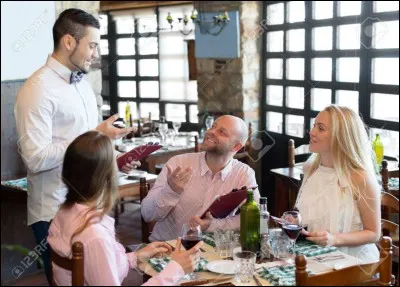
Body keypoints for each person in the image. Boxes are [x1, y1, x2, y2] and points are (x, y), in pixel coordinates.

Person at [14, 9, 138, 282]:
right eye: (92, 45)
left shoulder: (83, 84)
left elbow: (90, 145)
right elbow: (34, 159)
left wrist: (115, 157)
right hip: (55, 207)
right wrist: (95, 132)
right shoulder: (36, 90)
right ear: (69, 42)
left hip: (89, 202)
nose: (96, 54)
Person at [47, 131, 203, 285]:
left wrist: (135, 257)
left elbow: (98, 265)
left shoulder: (64, 213)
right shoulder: (95, 236)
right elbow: (97, 251)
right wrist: (176, 269)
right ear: (106, 177)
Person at [141, 115, 260, 242]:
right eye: (213, 126)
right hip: (167, 249)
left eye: (222, 132)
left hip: (212, 251)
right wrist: (171, 191)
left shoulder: (244, 174)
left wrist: (212, 226)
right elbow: (147, 214)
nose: (211, 131)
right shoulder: (177, 164)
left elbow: (254, 218)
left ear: (236, 147)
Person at [295, 105, 381, 264]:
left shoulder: (360, 178)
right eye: (314, 125)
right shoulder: (312, 169)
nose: (312, 132)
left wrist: (334, 239)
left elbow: (374, 233)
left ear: (341, 136)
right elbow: (314, 219)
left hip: (355, 265)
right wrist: (295, 223)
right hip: (318, 257)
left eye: (320, 128)